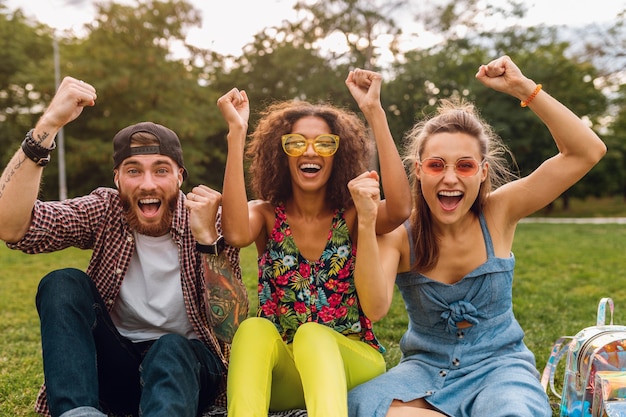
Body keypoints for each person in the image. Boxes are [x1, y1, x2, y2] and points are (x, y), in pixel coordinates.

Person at [346, 55, 607, 417]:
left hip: (500, 370)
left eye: (464, 165)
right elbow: (374, 307)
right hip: (423, 372)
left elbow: (587, 151)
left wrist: (523, 87)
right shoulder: (400, 235)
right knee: (360, 404)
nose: (450, 178)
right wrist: (366, 219)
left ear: (482, 172)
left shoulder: (499, 212)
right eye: (437, 165)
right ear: (419, 171)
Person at [0, 77, 248, 417]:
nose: (148, 183)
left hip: (188, 369)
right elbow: (11, 227)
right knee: (62, 284)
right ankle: (80, 413)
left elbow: (232, 329)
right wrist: (49, 124)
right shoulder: (104, 209)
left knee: (170, 347)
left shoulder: (208, 220)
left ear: (179, 178)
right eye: (134, 171)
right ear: (117, 179)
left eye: (161, 170)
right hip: (117, 368)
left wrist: (206, 240)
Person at [215, 68, 412, 417]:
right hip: (288, 371)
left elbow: (399, 208)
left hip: (351, 360)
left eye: (324, 143)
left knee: (313, 335)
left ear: (339, 154)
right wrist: (236, 133)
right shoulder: (266, 216)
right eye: (296, 143)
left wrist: (374, 112)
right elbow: (233, 232)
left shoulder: (352, 215)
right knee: (254, 329)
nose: (310, 151)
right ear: (281, 154)